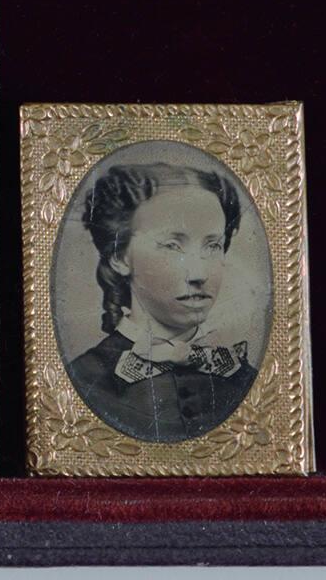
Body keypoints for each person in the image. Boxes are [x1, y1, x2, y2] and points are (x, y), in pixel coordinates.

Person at [66, 158, 259, 444]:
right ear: (119, 257)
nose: (199, 274)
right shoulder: (85, 380)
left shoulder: (244, 378)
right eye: (172, 246)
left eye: (213, 245)